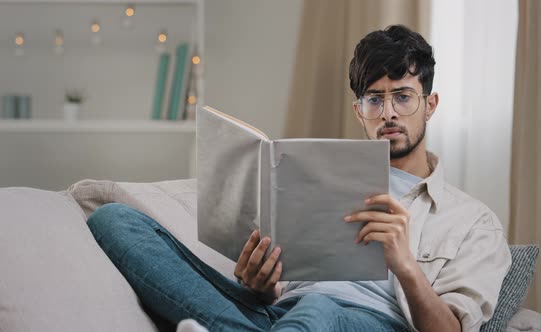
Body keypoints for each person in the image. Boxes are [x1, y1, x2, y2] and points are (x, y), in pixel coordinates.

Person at [87, 25, 511, 332]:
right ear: (357, 110)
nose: (388, 113)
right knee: (114, 221)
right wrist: (259, 284)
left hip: (368, 323)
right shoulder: (317, 177)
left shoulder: (472, 221)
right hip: (278, 314)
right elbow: (275, 295)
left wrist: (406, 267)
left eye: (403, 96)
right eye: (373, 100)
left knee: (320, 309)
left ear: (430, 104)